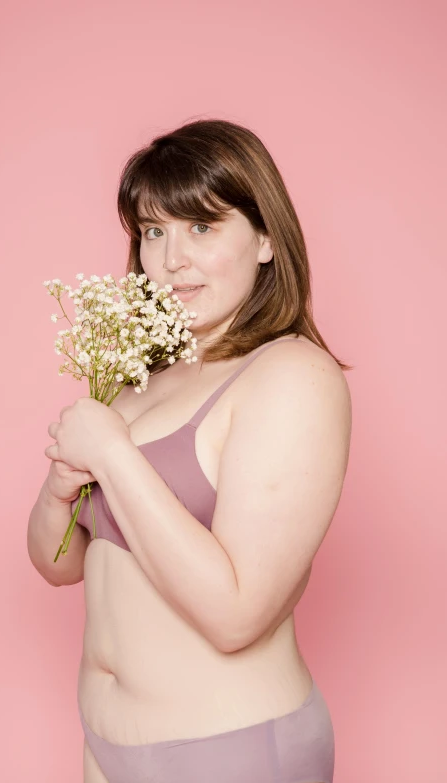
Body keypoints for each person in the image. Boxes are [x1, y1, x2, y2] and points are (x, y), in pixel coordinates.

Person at [27, 118, 353, 783]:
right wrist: (61, 486)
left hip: (226, 749)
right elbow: (61, 565)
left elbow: (237, 615)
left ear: (265, 237)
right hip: (105, 746)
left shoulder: (292, 375)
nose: (171, 260)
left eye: (201, 227)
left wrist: (114, 455)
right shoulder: (138, 375)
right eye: (154, 232)